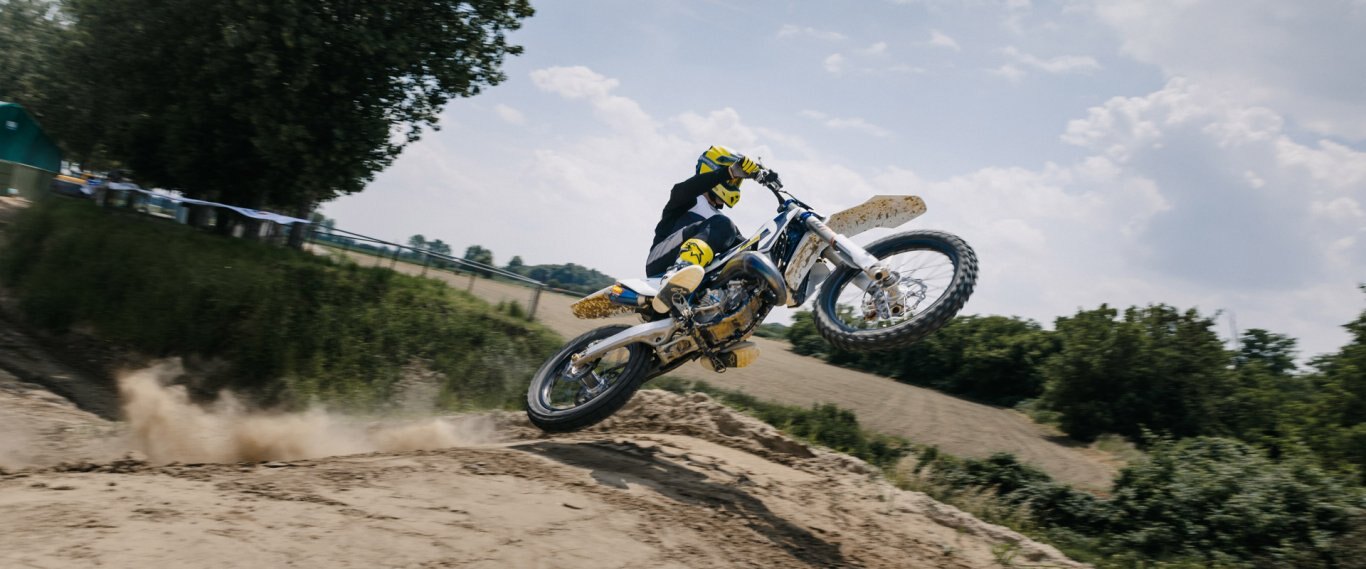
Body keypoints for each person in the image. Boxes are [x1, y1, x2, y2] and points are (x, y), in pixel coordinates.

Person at [644, 145, 764, 370]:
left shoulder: (723, 225)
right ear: (713, 169)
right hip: (659, 264)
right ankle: (677, 275)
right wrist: (728, 172)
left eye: (737, 180)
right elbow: (684, 188)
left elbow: (750, 251)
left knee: (748, 263)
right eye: (734, 177)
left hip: (692, 286)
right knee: (723, 225)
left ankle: (721, 337)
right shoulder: (689, 197)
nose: (734, 182)